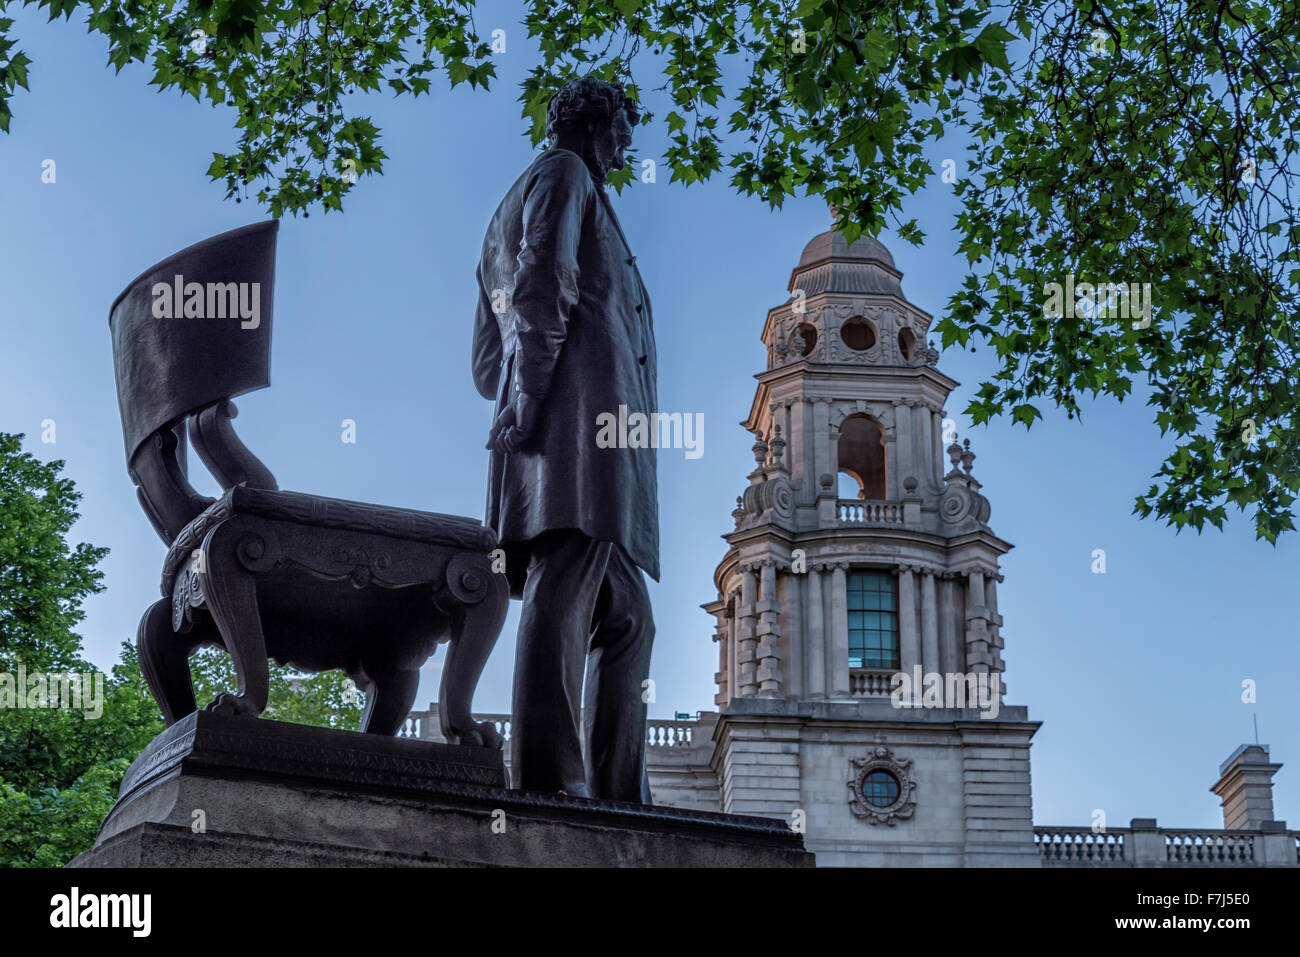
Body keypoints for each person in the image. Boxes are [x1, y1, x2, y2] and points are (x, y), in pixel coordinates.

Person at [471, 75, 658, 803]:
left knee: (628, 617)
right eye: (620, 130)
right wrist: (531, 395)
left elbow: (485, 353)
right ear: (593, 124)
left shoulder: (506, 212)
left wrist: (514, 383)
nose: (624, 146)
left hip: (558, 415)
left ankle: (618, 790)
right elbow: (543, 282)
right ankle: (553, 782)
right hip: (574, 418)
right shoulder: (565, 172)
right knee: (565, 575)